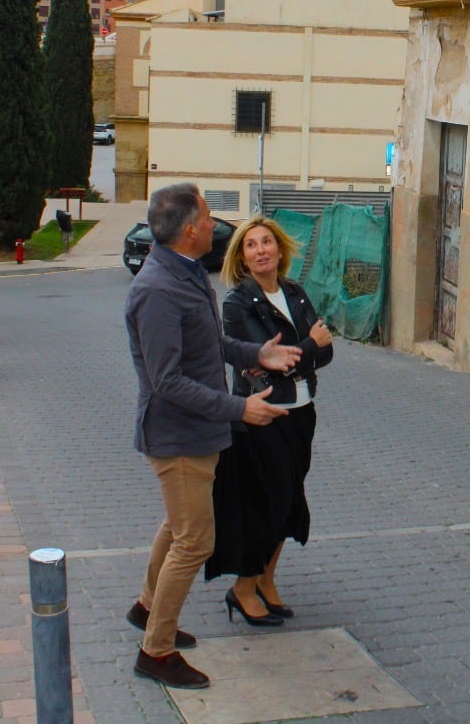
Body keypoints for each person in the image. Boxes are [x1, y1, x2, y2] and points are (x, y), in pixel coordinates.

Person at [123, 183, 301, 691]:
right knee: (195, 540)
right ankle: (155, 651)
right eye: (207, 215)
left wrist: (255, 355)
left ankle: (146, 608)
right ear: (189, 230)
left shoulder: (185, 273)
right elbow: (167, 381)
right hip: (177, 436)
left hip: (197, 432)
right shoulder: (157, 290)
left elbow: (207, 343)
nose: (214, 223)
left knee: (176, 526)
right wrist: (239, 407)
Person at [205, 216, 334, 625]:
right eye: (251, 245)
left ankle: (266, 580)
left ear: (280, 250)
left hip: (301, 413)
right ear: (241, 257)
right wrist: (309, 346)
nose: (260, 250)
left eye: (266, 242)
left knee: (290, 501)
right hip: (261, 415)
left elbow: (322, 354)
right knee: (268, 503)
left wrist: (306, 351)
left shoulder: (294, 293)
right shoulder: (238, 303)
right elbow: (269, 363)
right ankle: (243, 587)